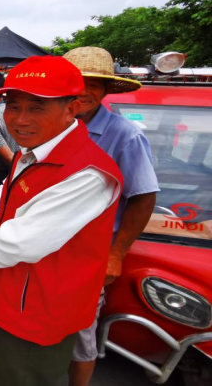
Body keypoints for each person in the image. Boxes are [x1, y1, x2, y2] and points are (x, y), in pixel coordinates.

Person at [0, 56, 123, 386]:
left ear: (72, 108)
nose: (19, 119)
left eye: (36, 108)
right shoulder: (33, 149)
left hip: (37, 313)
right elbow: (6, 189)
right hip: (2, 298)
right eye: (13, 106)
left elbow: (22, 242)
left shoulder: (88, 173)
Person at [63, 47, 159, 386]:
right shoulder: (53, 126)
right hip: (48, 247)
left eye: (95, 83)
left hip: (90, 252)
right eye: (77, 82)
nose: (85, 90)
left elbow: (144, 196)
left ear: (105, 90)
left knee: (80, 332)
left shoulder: (124, 134)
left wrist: (116, 253)